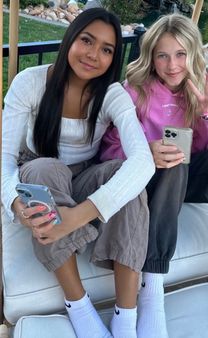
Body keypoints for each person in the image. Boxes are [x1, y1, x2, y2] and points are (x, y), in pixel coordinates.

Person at [2, 8, 155, 338]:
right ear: (71, 37)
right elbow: (4, 159)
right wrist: (16, 204)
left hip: (84, 178)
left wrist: (79, 215)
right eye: (87, 40)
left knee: (125, 177)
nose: (93, 55)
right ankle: (80, 307)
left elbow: (143, 161)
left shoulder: (112, 94)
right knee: (46, 169)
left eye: (106, 49)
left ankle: (126, 320)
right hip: (39, 171)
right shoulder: (29, 83)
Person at [100, 13, 208, 338]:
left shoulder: (201, 92)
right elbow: (106, 150)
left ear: (192, 55)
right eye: (162, 55)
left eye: (180, 54)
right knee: (175, 156)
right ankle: (152, 288)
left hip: (187, 178)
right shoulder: (133, 92)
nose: (172, 64)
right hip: (147, 178)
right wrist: (145, 150)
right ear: (151, 57)